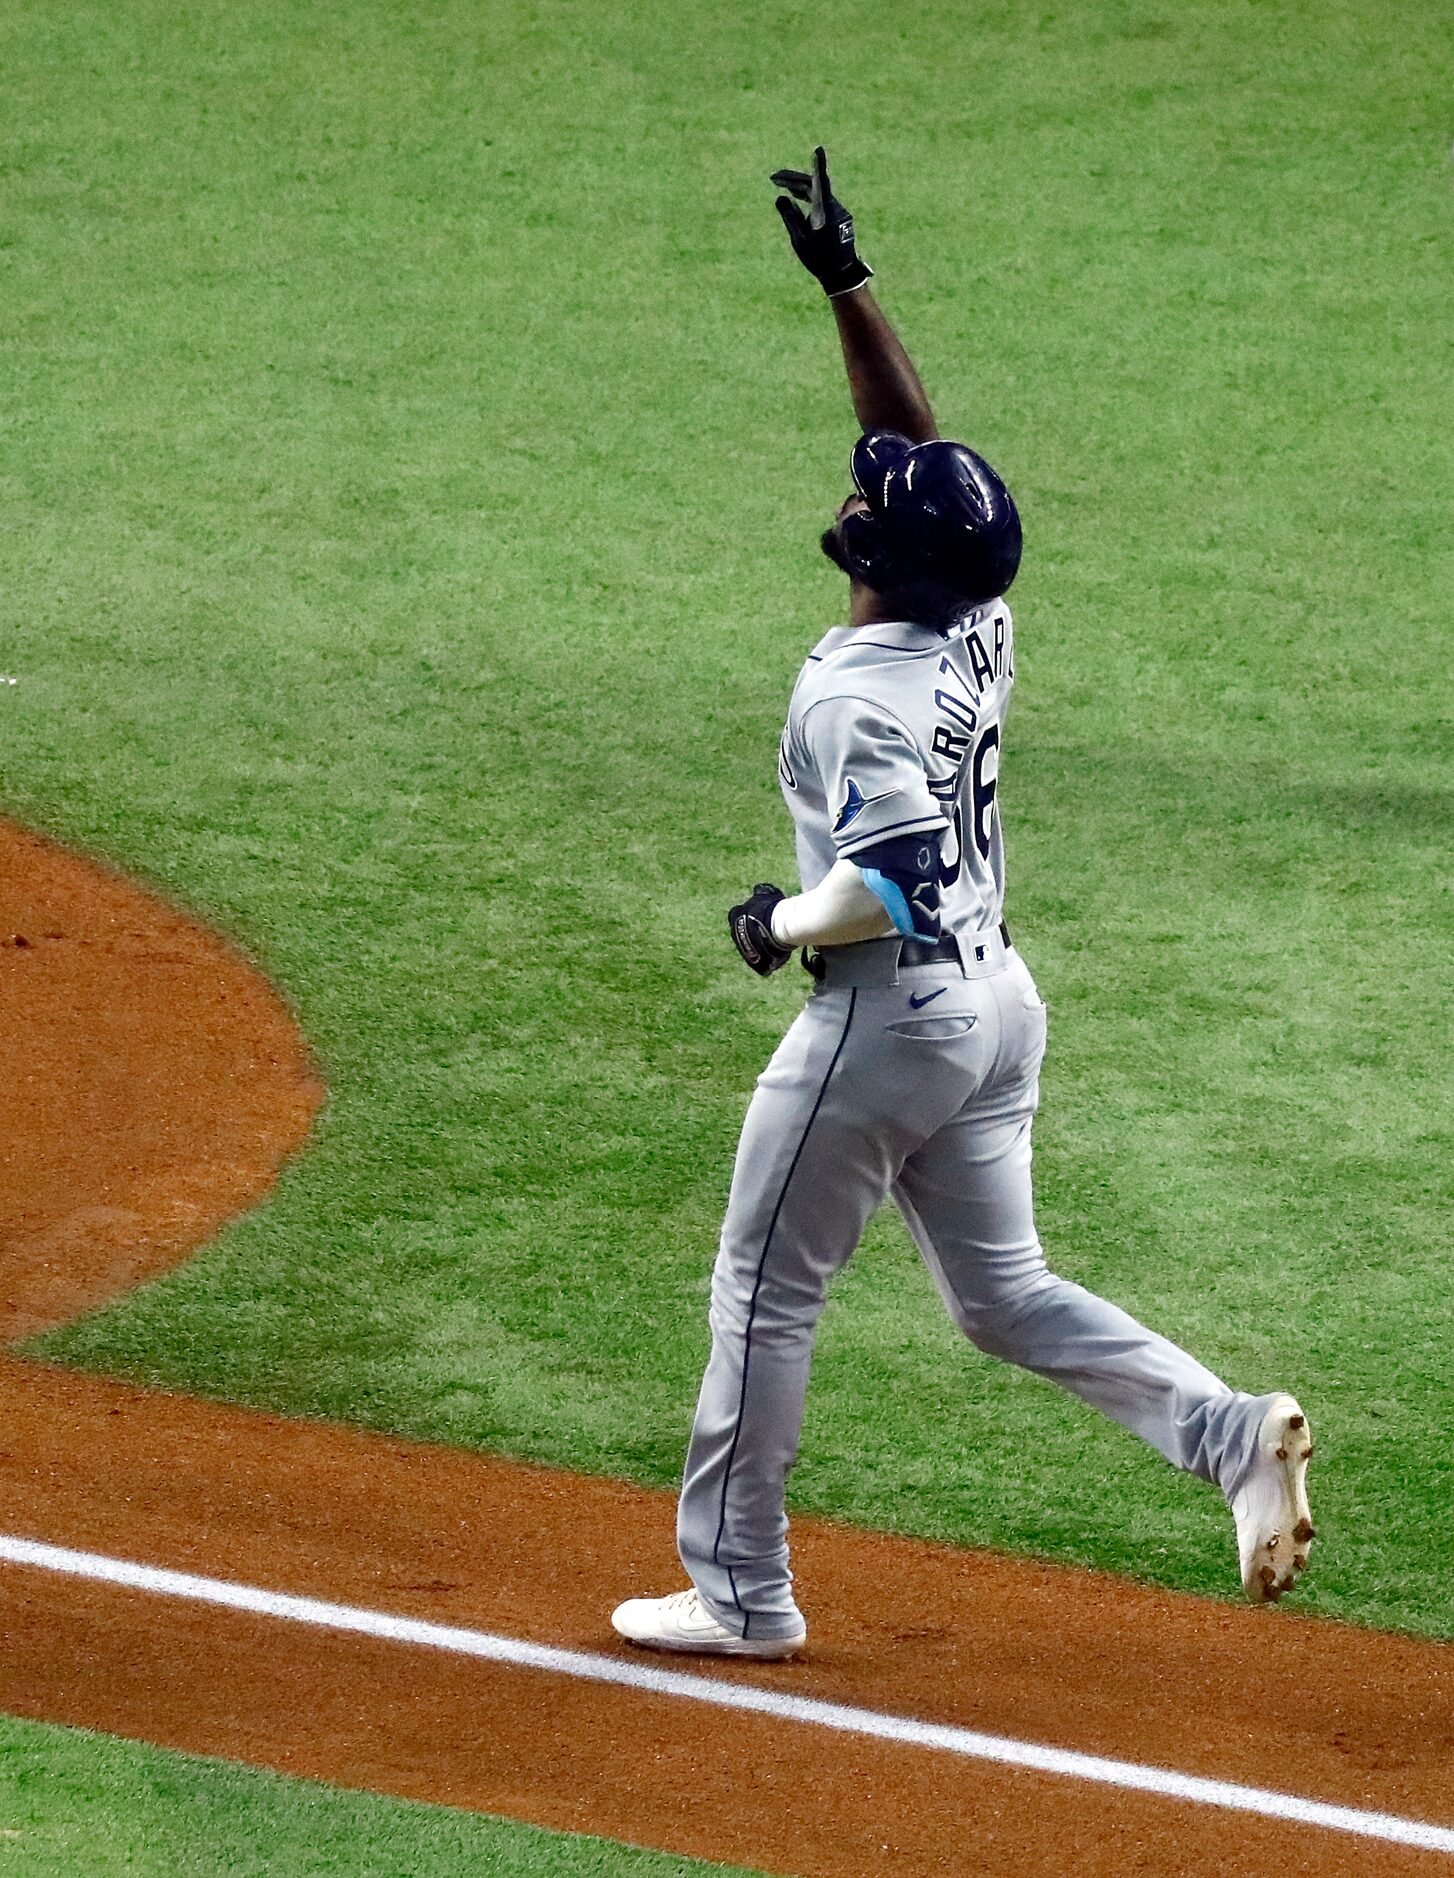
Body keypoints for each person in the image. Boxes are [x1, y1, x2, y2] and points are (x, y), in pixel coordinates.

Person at [612, 150, 1313, 1660]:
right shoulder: (970, 612)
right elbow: (911, 441)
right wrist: (847, 286)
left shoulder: (857, 699)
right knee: (1001, 1295)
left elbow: (886, 879)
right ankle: (1226, 1433)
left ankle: (739, 1592)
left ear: (873, 551)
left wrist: (778, 925)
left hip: (890, 1018)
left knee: (761, 1293)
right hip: (997, 1010)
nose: (858, 475)